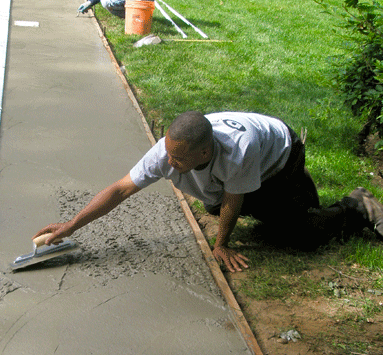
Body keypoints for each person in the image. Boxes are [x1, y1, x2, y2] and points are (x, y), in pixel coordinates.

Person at [34, 111, 383, 273]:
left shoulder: (237, 151)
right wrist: (70, 226)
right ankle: (292, 200)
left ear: (205, 151)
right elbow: (120, 190)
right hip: (247, 168)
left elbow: (234, 199)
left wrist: (221, 245)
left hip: (280, 156)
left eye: (179, 157)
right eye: (168, 152)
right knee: (219, 206)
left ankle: (356, 205)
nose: (169, 162)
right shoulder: (168, 153)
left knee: (296, 235)